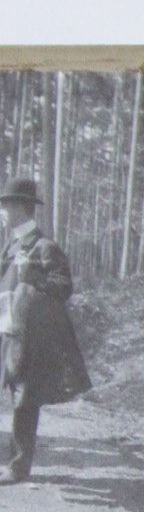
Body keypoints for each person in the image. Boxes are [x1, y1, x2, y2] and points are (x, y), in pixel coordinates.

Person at [0, 179, 90, 485]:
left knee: (25, 400)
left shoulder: (44, 246)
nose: (2, 211)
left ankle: (18, 467)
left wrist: (35, 277)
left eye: (7, 205)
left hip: (31, 338)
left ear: (22, 208)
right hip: (7, 332)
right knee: (13, 395)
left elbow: (64, 287)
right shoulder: (10, 245)